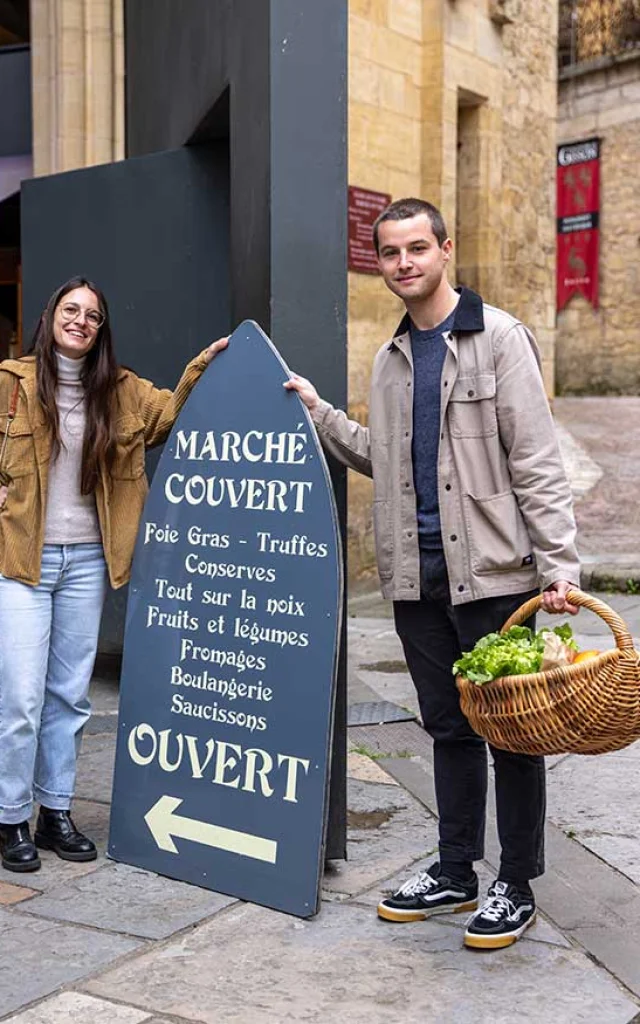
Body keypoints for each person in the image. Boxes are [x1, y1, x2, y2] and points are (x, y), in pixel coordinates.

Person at [285, 198, 580, 950]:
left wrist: (560, 567)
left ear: (445, 251)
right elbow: (379, 458)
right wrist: (320, 413)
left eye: (418, 248)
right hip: (417, 581)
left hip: (495, 576)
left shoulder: (501, 339)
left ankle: (516, 880)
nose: (405, 262)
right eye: (390, 252)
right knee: (448, 728)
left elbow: (538, 463)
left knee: (512, 734)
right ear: (380, 263)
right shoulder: (388, 360)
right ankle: (455, 869)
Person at [0, 277, 228, 872]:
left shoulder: (121, 391)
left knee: (69, 696)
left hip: (85, 564)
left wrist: (202, 365)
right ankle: (9, 817)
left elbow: (168, 417)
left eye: (92, 316)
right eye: (70, 310)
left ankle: (55, 811)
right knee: (21, 698)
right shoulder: (11, 384)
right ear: (50, 316)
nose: (80, 321)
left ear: (101, 330)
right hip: (20, 563)